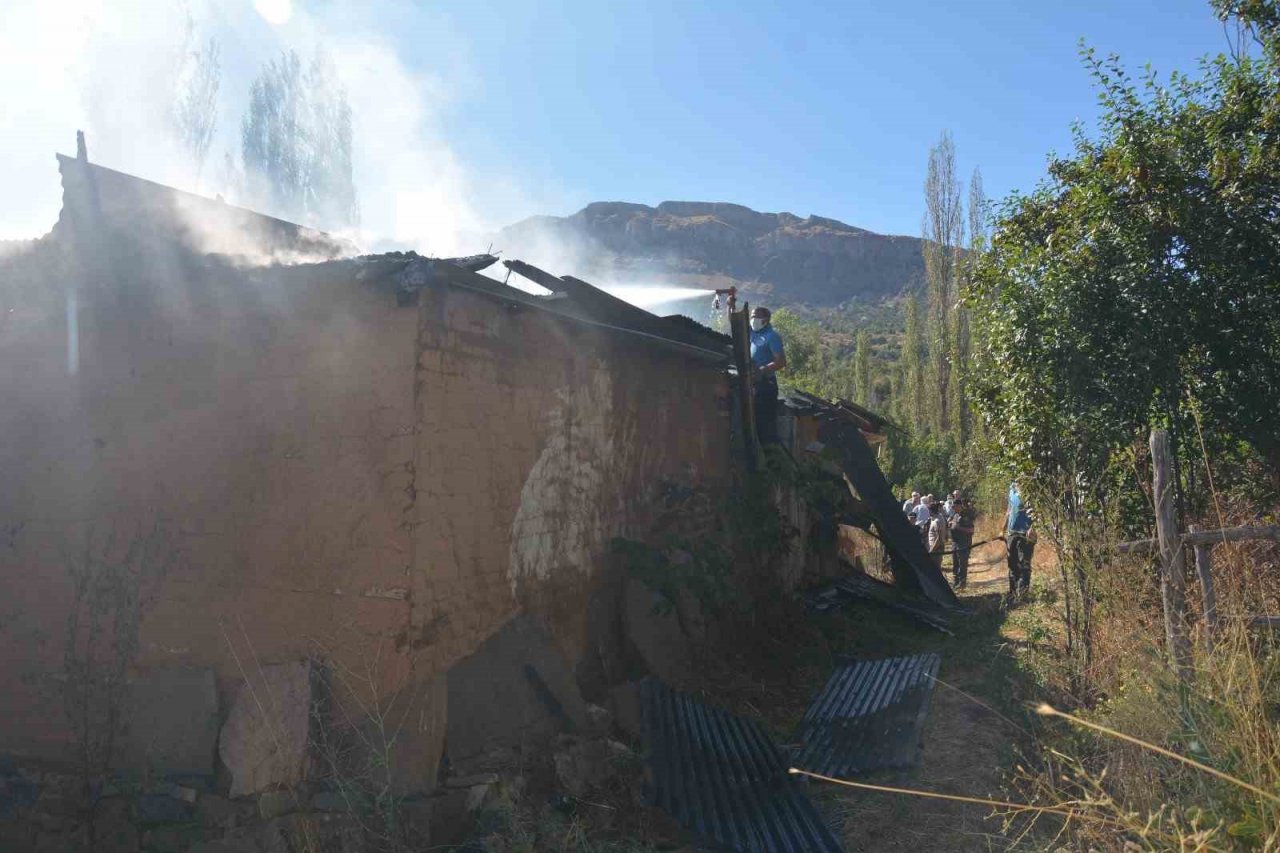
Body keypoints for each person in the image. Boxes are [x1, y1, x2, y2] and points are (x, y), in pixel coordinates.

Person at [748, 306, 786, 445]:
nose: (753, 320)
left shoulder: (772, 336)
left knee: (766, 428)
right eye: (752, 317)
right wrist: (730, 305)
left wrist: (762, 369)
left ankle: (772, 459)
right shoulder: (754, 333)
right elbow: (735, 323)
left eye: (756, 317)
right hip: (754, 384)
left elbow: (781, 362)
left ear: (765, 320)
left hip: (766, 386)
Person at [1006, 482, 1036, 600]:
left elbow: (1036, 512)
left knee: (1024, 565)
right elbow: (1009, 510)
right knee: (1012, 565)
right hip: (1012, 533)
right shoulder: (1011, 490)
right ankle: (1013, 593)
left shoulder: (1029, 493)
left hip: (1025, 535)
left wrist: (1032, 528)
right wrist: (1003, 528)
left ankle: (1022, 595)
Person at [949, 495, 976, 589]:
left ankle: (962, 583)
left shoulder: (966, 516)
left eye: (954, 506)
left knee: (962, 564)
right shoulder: (955, 515)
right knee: (955, 564)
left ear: (959, 506)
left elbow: (971, 530)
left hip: (963, 544)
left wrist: (958, 528)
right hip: (955, 543)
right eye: (952, 507)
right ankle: (956, 582)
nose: (953, 508)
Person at [926, 499, 949, 570]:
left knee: (935, 569)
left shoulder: (937, 521)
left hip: (936, 549)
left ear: (931, 511)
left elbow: (938, 538)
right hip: (937, 547)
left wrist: (931, 550)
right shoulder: (939, 517)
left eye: (928, 510)